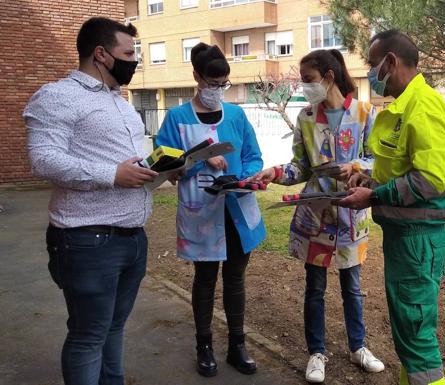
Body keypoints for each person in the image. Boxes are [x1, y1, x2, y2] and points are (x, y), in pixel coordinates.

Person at [23, 17, 157, 385]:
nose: (135, 61)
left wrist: (161, 171)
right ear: (101, 54)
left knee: (113, 328)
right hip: (88, 240)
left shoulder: (120, 102)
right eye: (129, 53)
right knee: (88, 336)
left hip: (132, 238)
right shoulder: (58, 96)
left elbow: (128, 161)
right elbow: (43, 159)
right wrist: (112, 174)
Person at [251, 49, 384, 383]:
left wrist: (356, 167)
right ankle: (317, 352)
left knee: (352, 287)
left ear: (328, 76)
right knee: (315, 287)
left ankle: (358, 347)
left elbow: (378, 162)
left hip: (351, 216)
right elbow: (300, 166)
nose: (303, 87)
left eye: (308, 80)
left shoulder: (366, 113)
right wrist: (276, 172)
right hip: (315, 218)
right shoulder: (306, 117)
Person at [338, 30, 445, 385]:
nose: (372, 74)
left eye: (373, 65)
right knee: (408, 333)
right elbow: (404, 171)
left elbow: (430, 181)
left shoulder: (425, 105)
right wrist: (371, 181)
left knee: (417, 338)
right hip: (405, 238)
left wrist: (373, 197)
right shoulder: (405, 106)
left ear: (390, 62)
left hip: (418, 241)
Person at [155, 43, 266, 378]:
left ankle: (237, 345)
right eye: (212, 83)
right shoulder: (177, 118)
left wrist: (246, 178)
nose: (218, 90)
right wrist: (199, 157)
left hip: (236, 209)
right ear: (196, 77)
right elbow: (164, 164)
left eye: (224, 84)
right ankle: (203, 345)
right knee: (204, 279)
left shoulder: (236, 115)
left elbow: (253, 155)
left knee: (235, 278)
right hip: (200, 214)